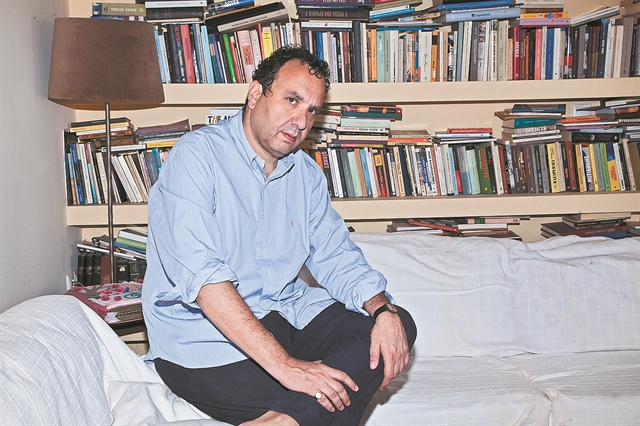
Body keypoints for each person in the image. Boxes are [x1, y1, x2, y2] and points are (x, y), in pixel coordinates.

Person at [142, 45, 417, 426]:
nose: (301, 121)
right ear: (256, 94)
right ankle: (297, 415)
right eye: (292, 100)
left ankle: (285, 419)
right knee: (332, 398)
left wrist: (383, 310)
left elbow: (337, 258)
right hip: (203, 341)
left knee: (395, 325)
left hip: (281, 316)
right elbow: (203, 279)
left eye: (312, 110)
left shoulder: (306, 175)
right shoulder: (197, 156)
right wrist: (287, 367)